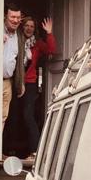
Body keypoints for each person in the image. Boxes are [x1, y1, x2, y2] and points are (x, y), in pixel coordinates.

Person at [19, 15, 57, 161]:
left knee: (28, 115)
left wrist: (49, 33)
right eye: (26, 26)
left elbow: (51, 50)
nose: (29, 28)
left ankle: (35, 151)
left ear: (35, 29)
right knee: (13, 116)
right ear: (22, 27)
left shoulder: (37, 44)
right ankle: (9, 149)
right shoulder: (16, 40)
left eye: (32, 26)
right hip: (14, 82)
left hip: (30, 83)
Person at [2, 3, 25, 130]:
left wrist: (20, 82)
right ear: (5, 16)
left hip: (7, 83)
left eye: (18, 17)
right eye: (12, 17)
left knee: (3, 117)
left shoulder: (19, 36)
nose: (15, 20)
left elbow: (19, 61)